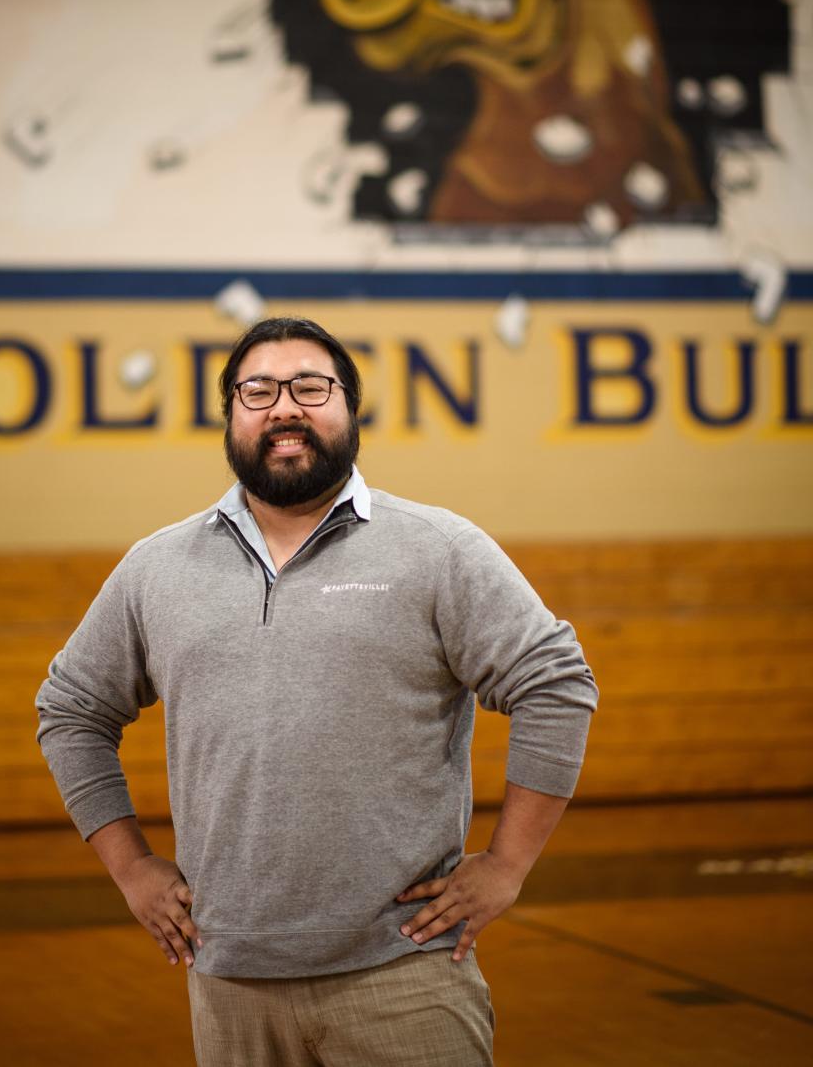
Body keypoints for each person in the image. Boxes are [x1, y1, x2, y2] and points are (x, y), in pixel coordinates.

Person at [36, 315, 598, 1066]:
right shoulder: (156, 568)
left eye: (310, 386)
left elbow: (555, 682)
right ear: (231, 415)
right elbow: (71, 708)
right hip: (230, 980)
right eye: (258, 390)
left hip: (403, 974)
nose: (284, 407)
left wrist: (506, 866)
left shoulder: (437, 549)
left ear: (350, 408)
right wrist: (132, 868)